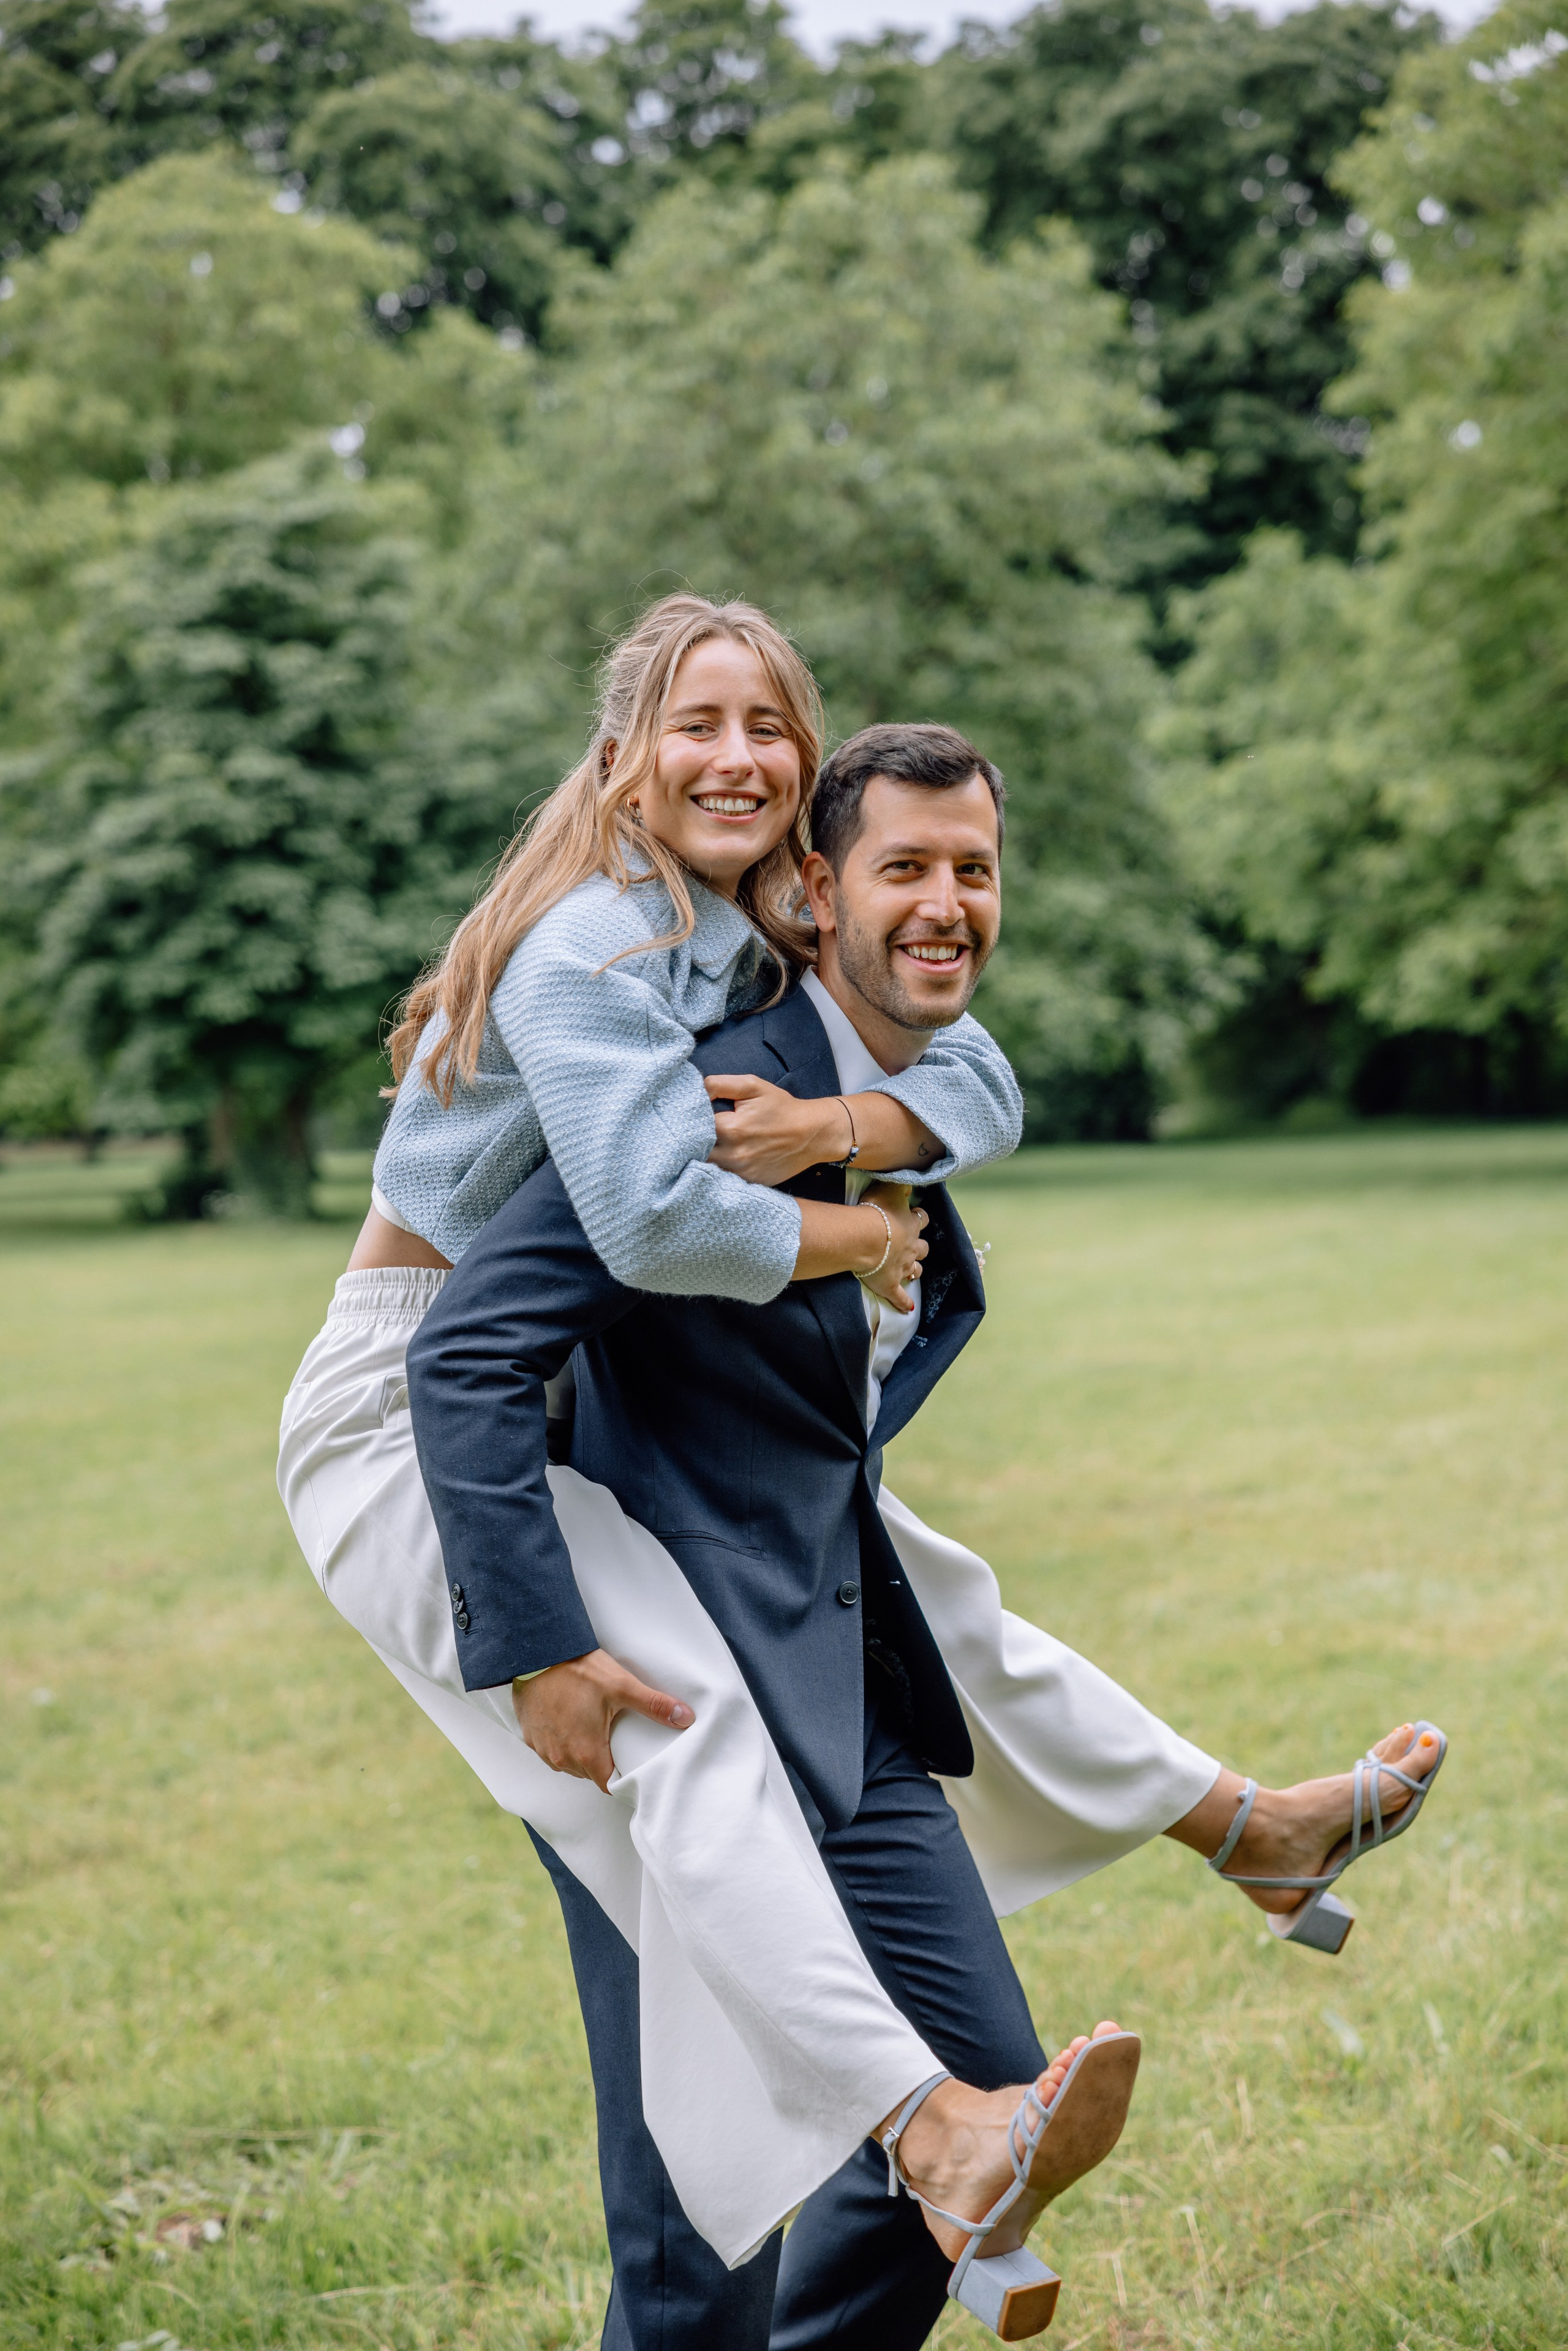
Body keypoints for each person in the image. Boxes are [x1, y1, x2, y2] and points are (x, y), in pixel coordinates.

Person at [401, 728, 1445, 2346]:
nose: (949, 903)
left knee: (991, 2107)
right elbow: (471, 1352)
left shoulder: (898, 1100)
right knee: (695, 2235)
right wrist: (541, 1644)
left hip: (842, 1676)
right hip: (670, 1692)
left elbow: (955, 1142)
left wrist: (856, 1144)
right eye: (907, 868)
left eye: (975, 870)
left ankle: (1243, 1832)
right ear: (817, 892)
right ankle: (1248, 1830)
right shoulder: (700, 1097)